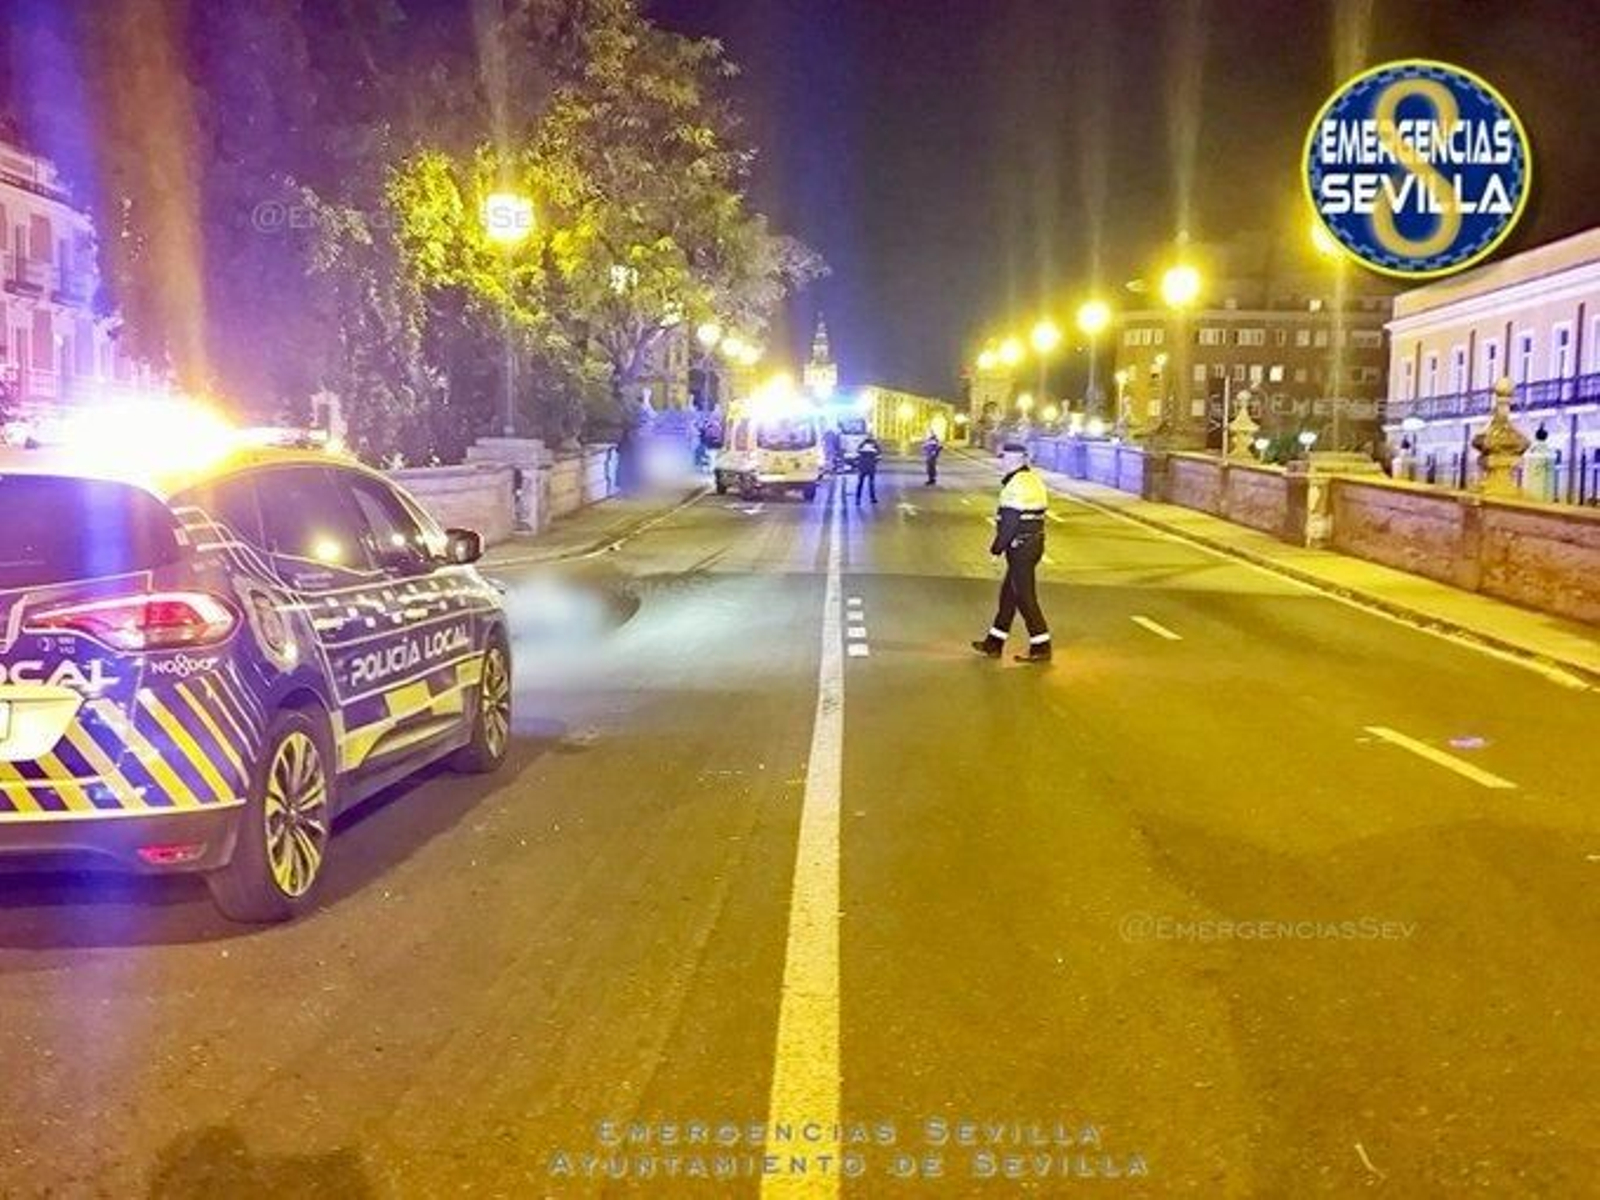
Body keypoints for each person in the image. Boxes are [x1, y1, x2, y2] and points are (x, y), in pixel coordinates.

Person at [972, 442, 1051, 663]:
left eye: (1005, 458)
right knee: (1009, 595)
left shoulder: (1015, 485)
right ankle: (994, 643)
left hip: (1020, 547)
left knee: (1025, 598)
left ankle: (1041, 645)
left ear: (1015, 460)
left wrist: (996, 549)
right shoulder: (1032, 479)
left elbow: (1009, 522)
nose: (1002, 462)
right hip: (1032, 544)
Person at [855, 433, 881, 504]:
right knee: (871, 483)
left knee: (860, 483)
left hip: (862, 466)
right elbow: (879, 456)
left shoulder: (862, 444)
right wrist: (875, 462)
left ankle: (857, 499)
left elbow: (857, 453)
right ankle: (872, 498)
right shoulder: (875, 445)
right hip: (871, 467)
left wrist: (859, 463)